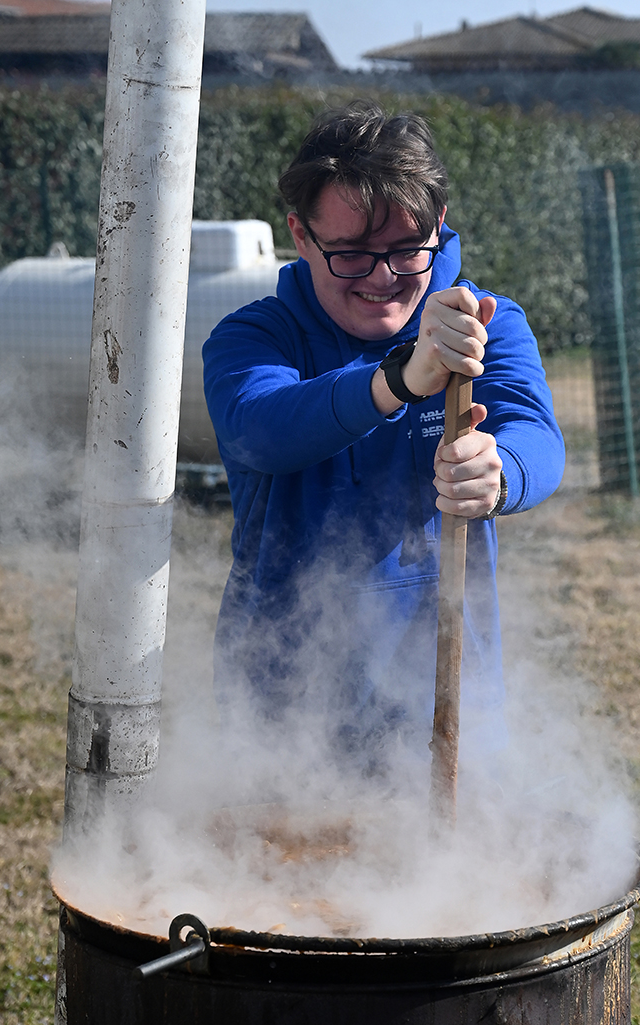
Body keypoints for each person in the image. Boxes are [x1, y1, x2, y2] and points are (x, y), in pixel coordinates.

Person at [202, 100, 564, 777]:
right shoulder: (253, 338)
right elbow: (262, 430)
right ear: (300, 236)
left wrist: (501, 472)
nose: (381, 279)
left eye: (405, 251)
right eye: (350, 255)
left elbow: (536, 439)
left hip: (450, 694)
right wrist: (399, 378)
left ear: (439, 226)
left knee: (453, 879)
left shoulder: (486, 323)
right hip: (284, 705)